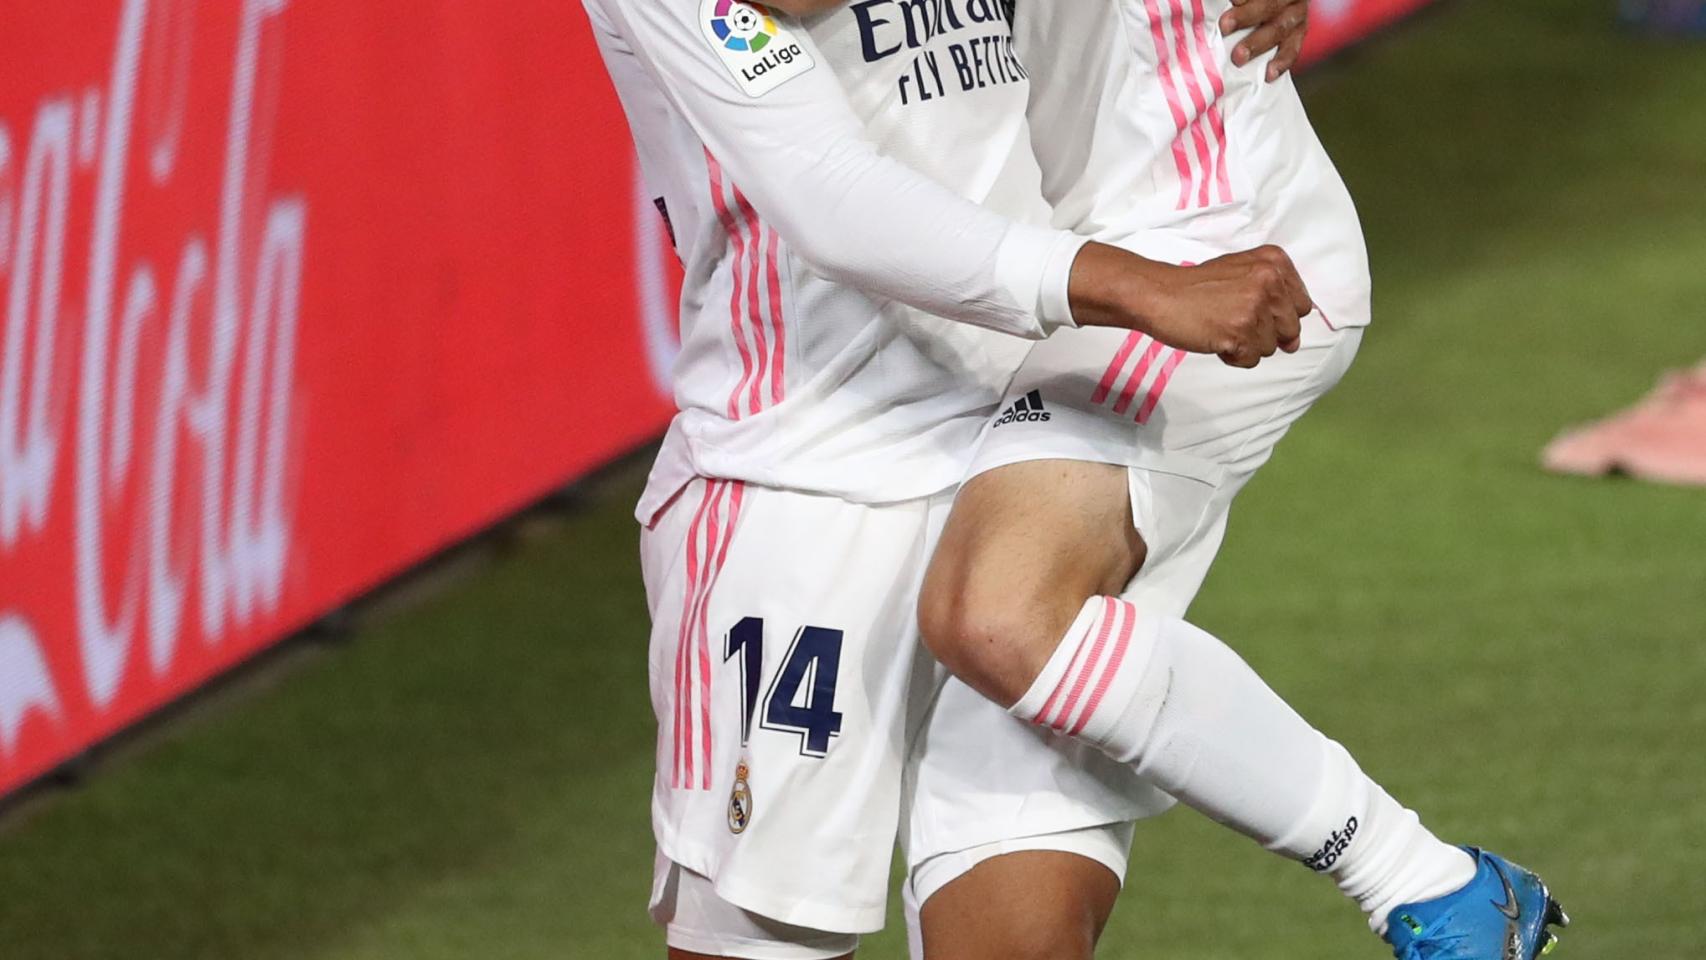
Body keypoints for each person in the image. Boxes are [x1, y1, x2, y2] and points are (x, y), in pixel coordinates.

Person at [581, 0, 1313, 956]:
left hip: (1025, 447)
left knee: (1026, 941)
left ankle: (1423, 881)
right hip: (809, 481)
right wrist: (1134, 283)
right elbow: (828, 193)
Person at [906, 2, 1569, 959]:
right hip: (1030, 277)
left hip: (1197, 245)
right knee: (1003, 926)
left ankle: (1430, 883)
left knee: (999, 613)